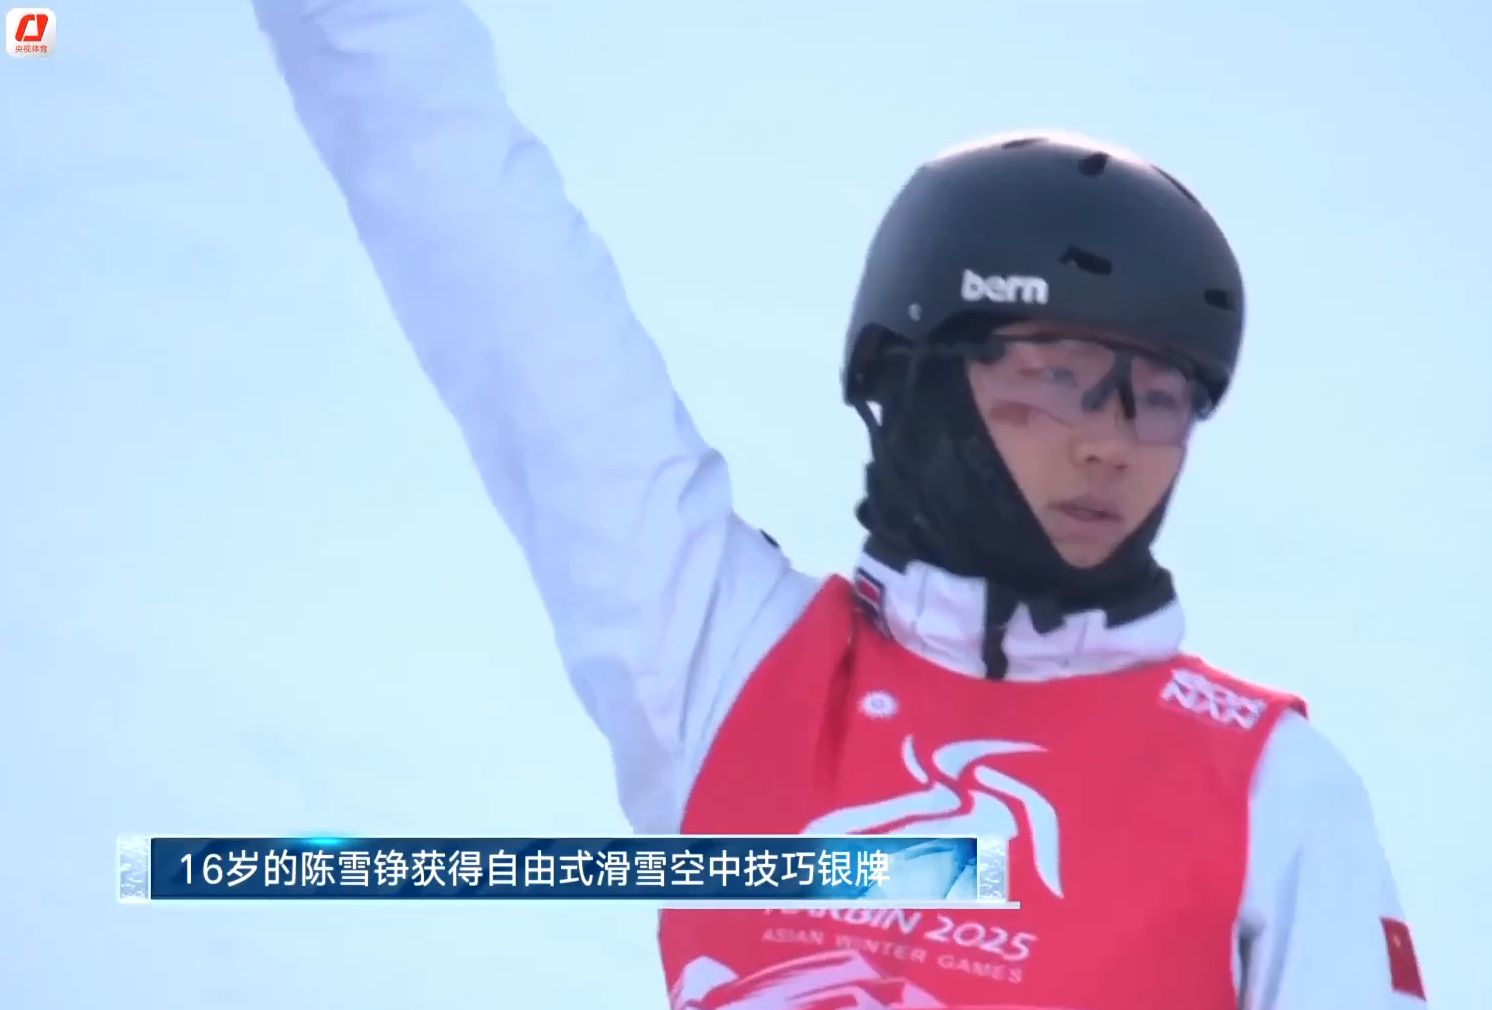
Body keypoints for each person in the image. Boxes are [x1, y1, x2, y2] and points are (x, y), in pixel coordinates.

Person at [252, 0, 1428, 1006]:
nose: (1108, 442)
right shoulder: (727, 664)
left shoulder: (1270, 789)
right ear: (914, 376)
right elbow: (485, 255)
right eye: (1054, 377)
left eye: (1158, 398)